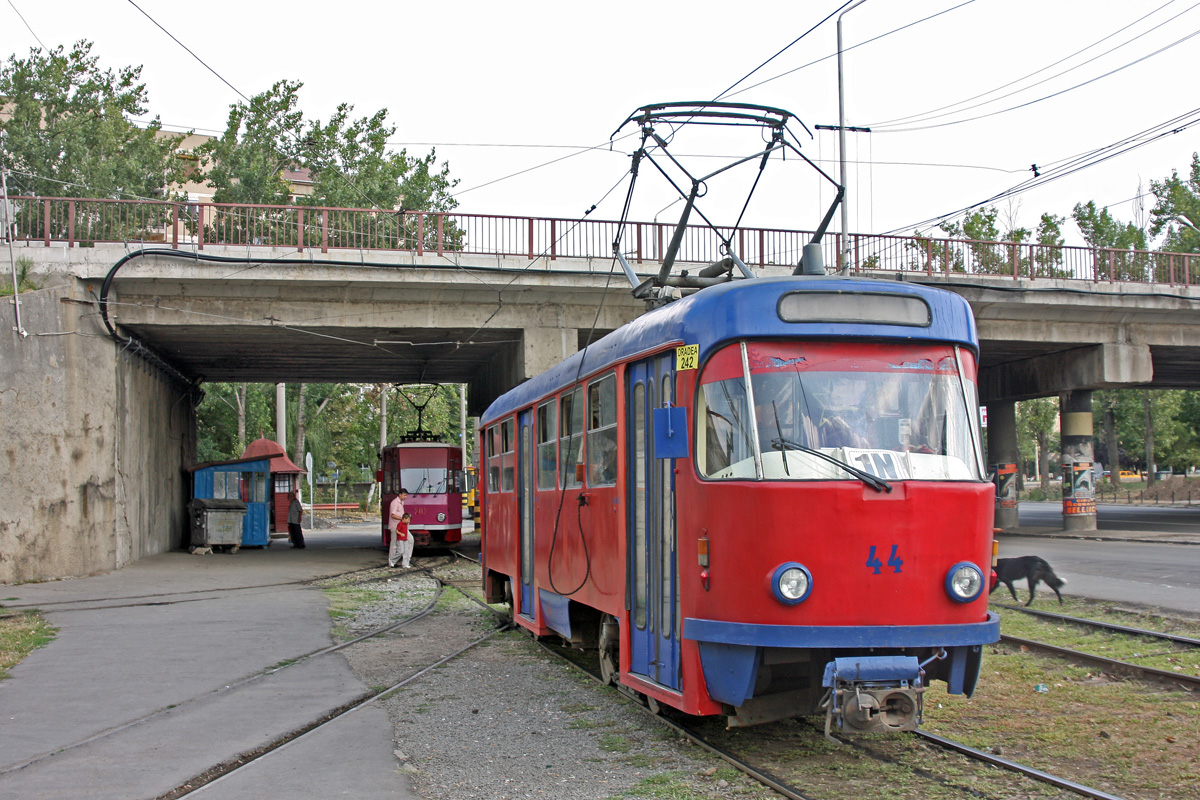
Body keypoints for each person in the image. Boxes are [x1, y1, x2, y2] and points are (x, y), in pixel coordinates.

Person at [387, 488, 409, 568]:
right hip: (395, 526)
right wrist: (402, 519)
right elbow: (392, 515)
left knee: (410, 540)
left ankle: (406, 560)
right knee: (394, 544)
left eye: (406, 495)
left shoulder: (402, 502)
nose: (406, 497)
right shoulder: (395, 503)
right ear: (400, 495)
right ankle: (391, 561)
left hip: (402, 526)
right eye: (404, 495)